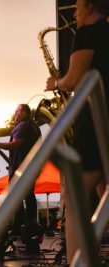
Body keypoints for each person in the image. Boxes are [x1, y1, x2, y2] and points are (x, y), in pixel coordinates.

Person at [45, 0, 109, 262]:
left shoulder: (88, 33)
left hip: (95, 123)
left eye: (78, 7)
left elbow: (74, 79)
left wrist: (55, 82)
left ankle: (78, 261)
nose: (74, 13)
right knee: (102, 192)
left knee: (74, 197)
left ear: (90, 7)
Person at [0, 104, 41, 234]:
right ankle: (30, 226)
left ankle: (18, 227)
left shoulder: (22, 126)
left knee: (15, 197)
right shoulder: (35, 127)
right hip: (31, 167)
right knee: (28, 196)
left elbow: (15, 145)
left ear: (25, 113)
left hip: (20, 168)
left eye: (16, 112)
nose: (14, 114)